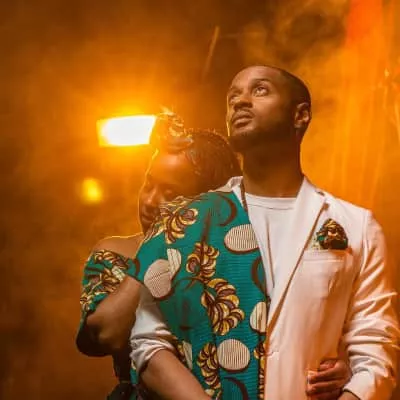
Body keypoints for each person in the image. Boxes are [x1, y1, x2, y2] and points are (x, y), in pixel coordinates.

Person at [114, 66, 399, 399]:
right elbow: (149, 341)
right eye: (233, 96)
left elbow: (376, 349)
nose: (240, 102)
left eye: (259, 90)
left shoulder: (357, 225)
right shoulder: (187, 221)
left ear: (300, 115)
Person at [78, 110, 351, 399]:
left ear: (208, 200)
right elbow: (107, 334)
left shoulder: (242, 255)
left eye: (170, 192)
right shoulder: (117, 252)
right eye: (149, 184)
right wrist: (159, 244)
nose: (150, 200)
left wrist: (341, 368)